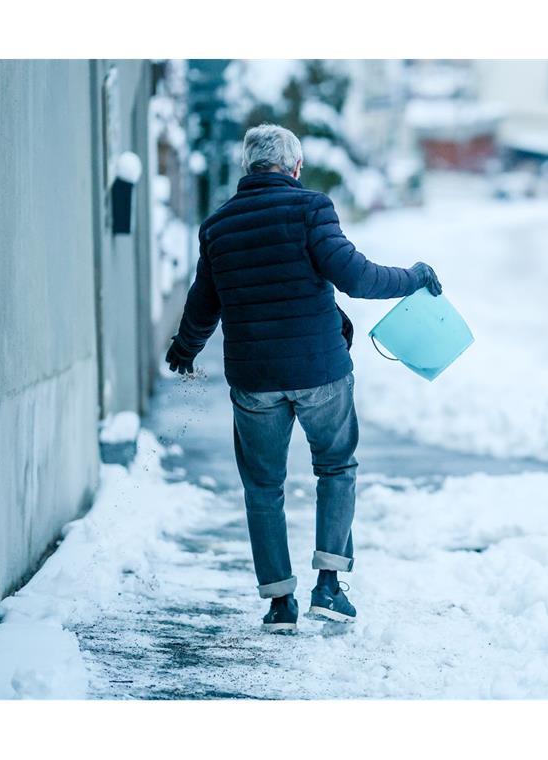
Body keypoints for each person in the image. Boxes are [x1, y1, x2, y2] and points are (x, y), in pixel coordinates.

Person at [165, 124, 442, 632]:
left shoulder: (218, 226)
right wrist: (415, 276)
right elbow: (357, 277)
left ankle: (278, 603)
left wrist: (185, 350)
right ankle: (330, 588)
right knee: (335, 469)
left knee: (262, 488)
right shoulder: (312, 208)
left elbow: (204, 302)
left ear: (248, 167)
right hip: (321, 372)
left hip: (255, 380)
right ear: (295, 168)